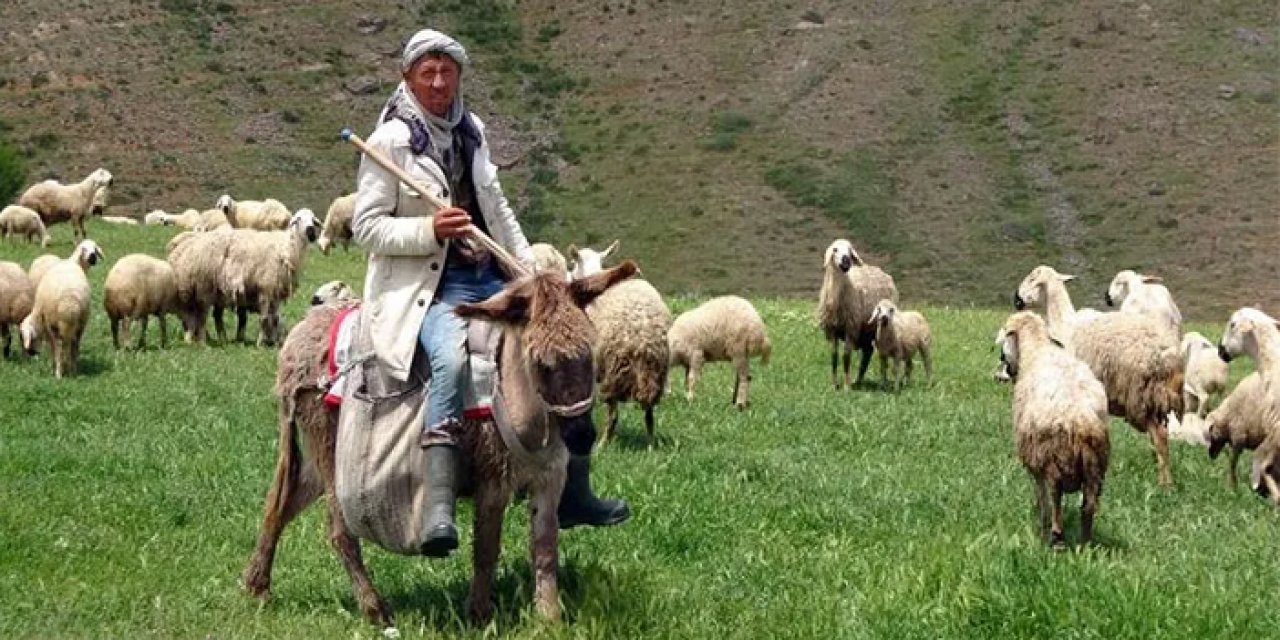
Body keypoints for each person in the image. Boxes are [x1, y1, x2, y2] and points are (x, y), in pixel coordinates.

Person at [351, 29, 629, 557]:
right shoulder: (389, 141)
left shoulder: (471, 130)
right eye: (427, 72)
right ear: (408, 78)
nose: (438, 82)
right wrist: (429, 231)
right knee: (450, 361)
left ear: (458, 75)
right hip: (429, 286)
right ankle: (437, 504)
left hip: (490, 273)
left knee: (566, 350)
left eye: (447, 71)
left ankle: (574, 489)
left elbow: (496, 208)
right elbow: (366, 227)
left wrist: (529, 270)